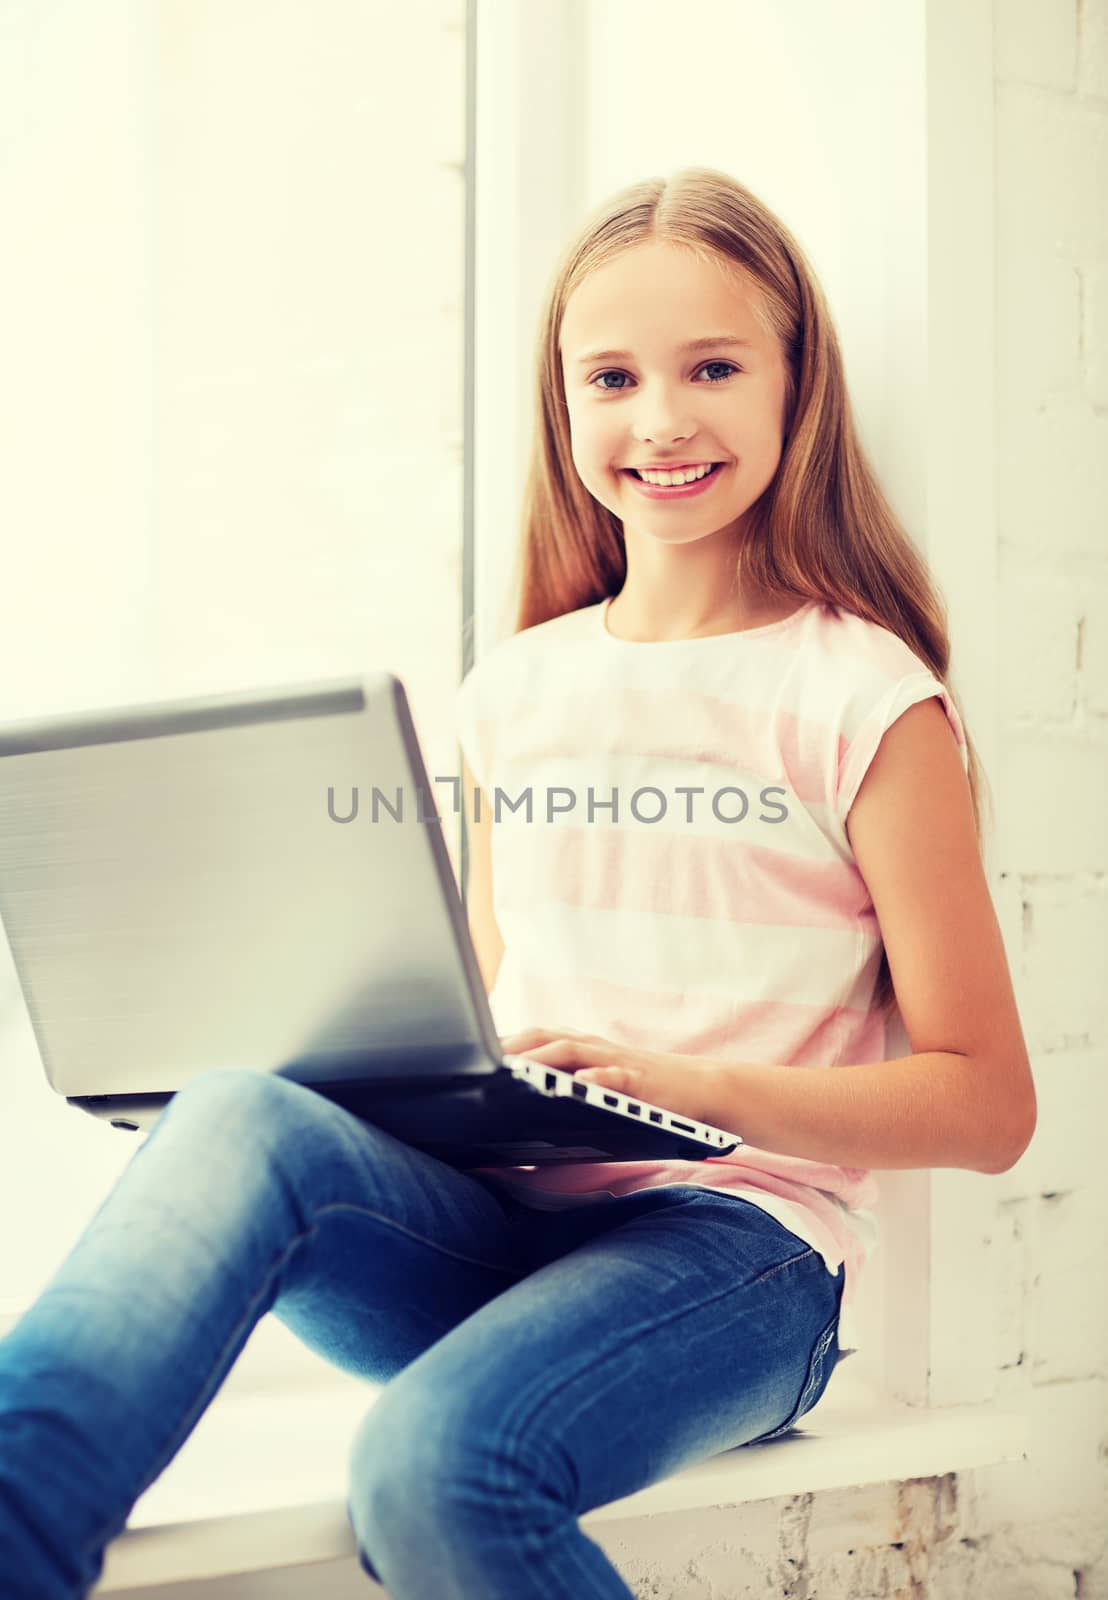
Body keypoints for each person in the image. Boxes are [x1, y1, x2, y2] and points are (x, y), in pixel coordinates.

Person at [0, 166, 1036, 1600]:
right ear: (563, 409)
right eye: (611, 376)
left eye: (714, 368)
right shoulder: (515, 691)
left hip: (736, 1253)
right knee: (242, 1108)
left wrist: (688, 1084)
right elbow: (489, 1007)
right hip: (506, 1230)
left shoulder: (864, 696)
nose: (660, 418)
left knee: (434, 1469)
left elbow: (988, 1104)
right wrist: (405, 1080)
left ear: (798, 388)